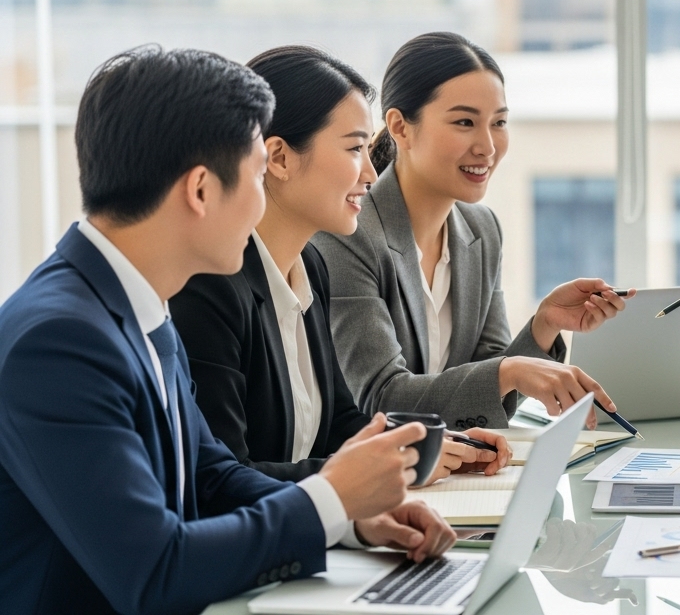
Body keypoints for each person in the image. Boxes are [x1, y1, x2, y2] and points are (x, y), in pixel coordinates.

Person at [0, 46, 455, 614]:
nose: (262, 202)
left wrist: (350, 519)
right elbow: (154, 572)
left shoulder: (137, 301)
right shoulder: (59, 342)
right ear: (200, 190)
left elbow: (209, 477)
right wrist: (328, 499)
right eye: (257, 176)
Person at [171, 46, 511, 484]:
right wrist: (376, 471)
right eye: (354, 149)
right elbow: (219, 480)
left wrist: (427, 446)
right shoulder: (209, 288)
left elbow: (340, 426)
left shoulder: (310, 265)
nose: (371, 172)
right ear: (278, 158)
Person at [312, 32, 631, 430]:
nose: (487, 146)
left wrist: (544, 324)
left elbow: (488, 395)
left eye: (498, 122)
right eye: (465, 122)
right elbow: (382, 398)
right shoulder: (351, 232)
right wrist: (509, 371)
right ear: (400, 127)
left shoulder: (481, 230)